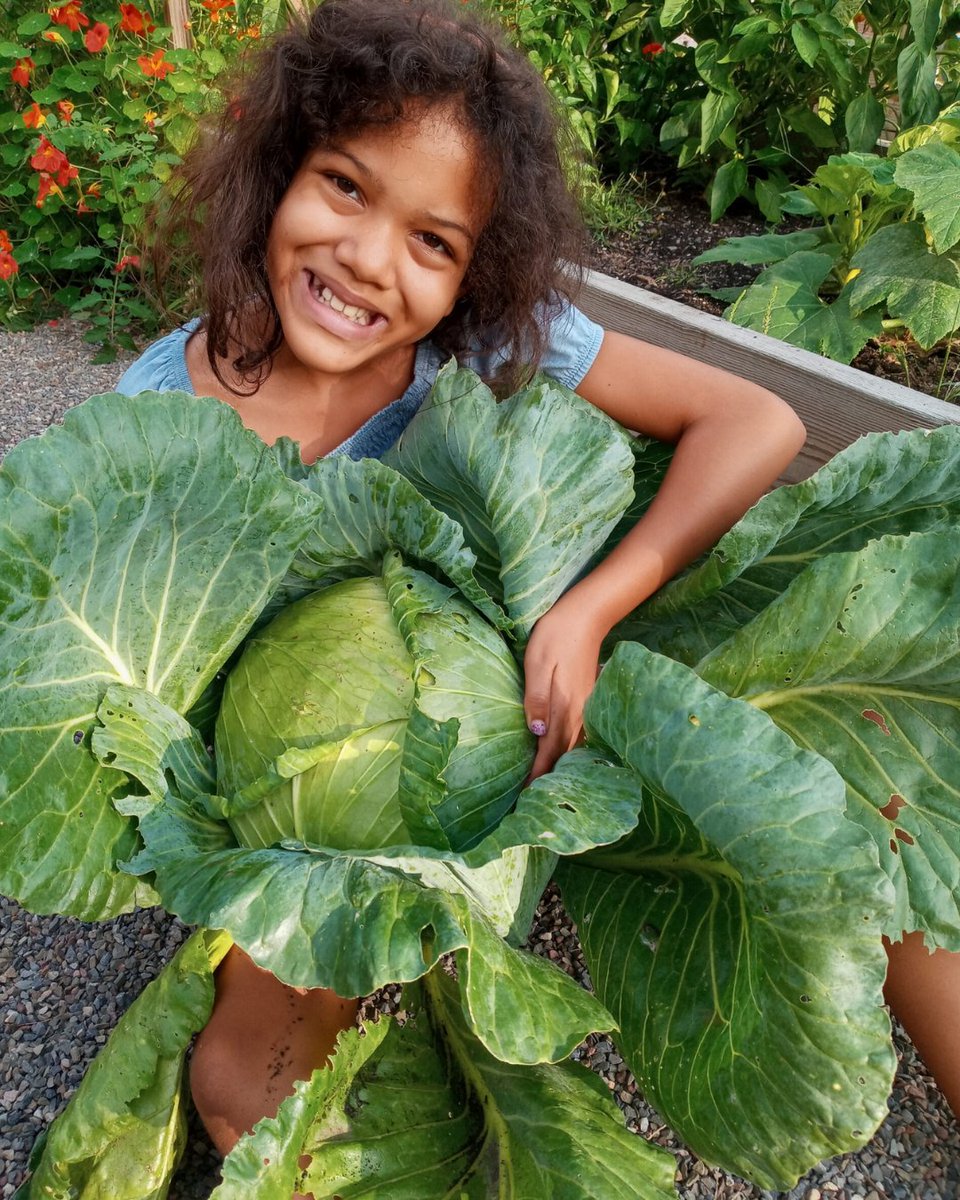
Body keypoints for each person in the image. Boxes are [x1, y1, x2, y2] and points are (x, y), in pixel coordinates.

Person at [116, 0, 807, 1162]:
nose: (369, 259)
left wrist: (588, 609)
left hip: (537, 731)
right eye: (344, 185)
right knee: (245, 1093)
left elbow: (759, 420)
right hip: (301, 836)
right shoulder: (153, 421)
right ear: (277, 171)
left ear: (475, 277)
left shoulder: (480, 353)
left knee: (857, 814)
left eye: (434, 242)